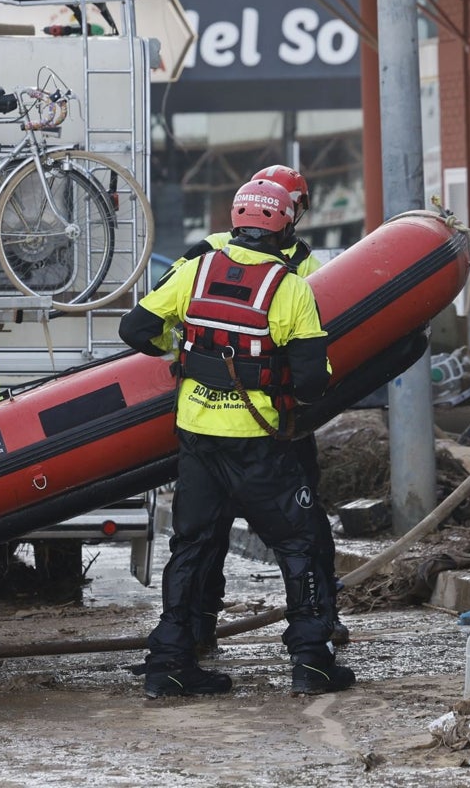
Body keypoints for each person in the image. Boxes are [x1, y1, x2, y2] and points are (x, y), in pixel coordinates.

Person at [120, 177, 355, 697]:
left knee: (192, 545)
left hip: (197, 437)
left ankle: (169, 663)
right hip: (257, 442)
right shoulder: (289, 287)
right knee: (300, 540)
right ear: (286, 224)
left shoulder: (193, 272)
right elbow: (314, 380)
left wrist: (182, 351)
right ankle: (311, 661)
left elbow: (134, 329)